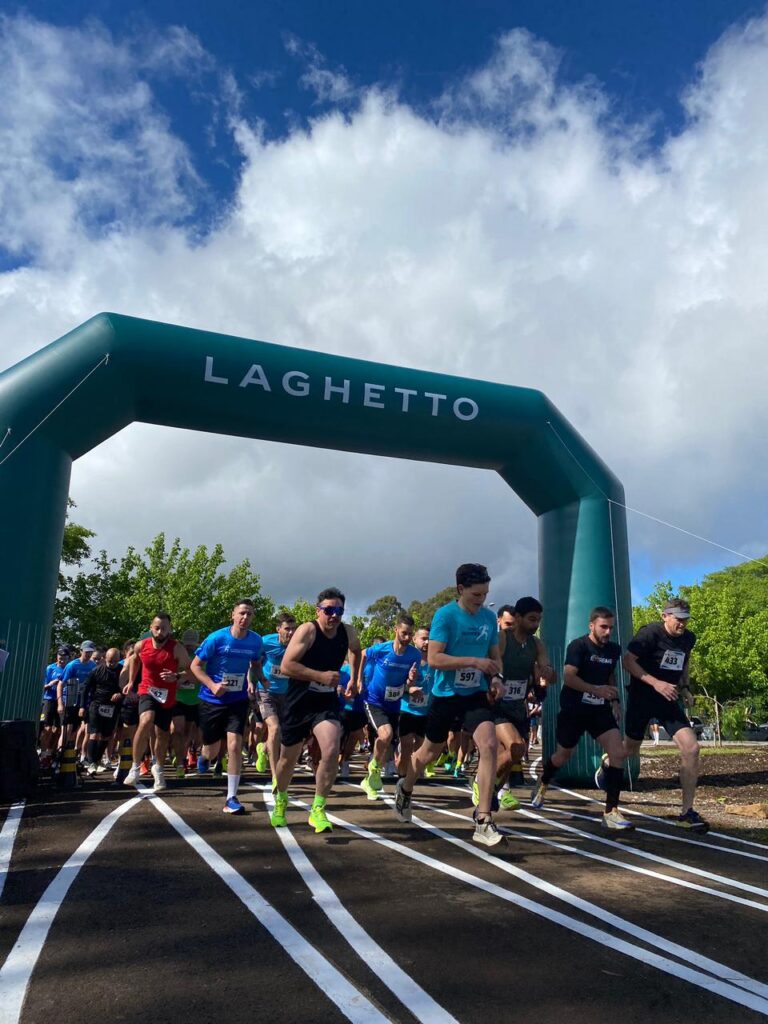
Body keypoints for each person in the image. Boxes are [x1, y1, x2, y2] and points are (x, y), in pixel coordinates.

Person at [394, 564, 505, 847]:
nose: (481, 599)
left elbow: (495, 657)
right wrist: (474, 662)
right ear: (461, 589)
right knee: (428, 753)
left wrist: (496, 678)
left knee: (489, 745)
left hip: (475, 694)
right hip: (446, 695)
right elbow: (434, 659)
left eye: (485, 594)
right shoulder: (445, 616)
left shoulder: (488, 618)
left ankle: (483, 818)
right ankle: (405, 788)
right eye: (476, 594)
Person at [530, 607, 634, 829]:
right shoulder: (578, 646)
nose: (608, 632)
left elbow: (610, 674)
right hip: (574, 710)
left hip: (599, 710)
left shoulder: (613, 650)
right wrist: (596, 690)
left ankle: (611, 812)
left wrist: (615, 701)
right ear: (591, 626)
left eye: (611, 628)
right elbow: (568, 677)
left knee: (618, 752)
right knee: (563, 756)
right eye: (603, 627)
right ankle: (544, 780)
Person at [270, 587, 362, 834]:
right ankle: (281, 800)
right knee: (288, 758)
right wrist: (320, 676)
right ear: (318, 610)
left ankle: (318, 809)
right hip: (299, 701)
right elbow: (287, 666)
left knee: (331, 749)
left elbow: (356, 650)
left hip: (325, 701)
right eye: (329, 610)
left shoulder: (347, 632)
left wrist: (354, 679)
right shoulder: (307, 631)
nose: (334, 615)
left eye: (339, 611)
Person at [618, 598, 708, 831]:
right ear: (665, 616)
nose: (682, 624)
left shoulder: (688, 638)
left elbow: (684, 662)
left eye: (686, 619)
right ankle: (609, 762)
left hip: (668, 698)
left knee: (692, 748)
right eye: (678, 619)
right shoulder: (649, 634)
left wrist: (685, 687)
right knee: (630, 749)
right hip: (642, 697)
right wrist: (655, 683)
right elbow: (628, 661)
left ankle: (686, 812)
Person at [191, 599, 266, 813]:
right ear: (233, 615)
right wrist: (213, 685)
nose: (245, 617)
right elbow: (195, 666)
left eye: (249, 614)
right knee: (212, 750)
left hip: (237, 700)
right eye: (242, 613)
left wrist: (260, 679)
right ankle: (204, 757)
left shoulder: (255, 641)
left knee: (234, 745)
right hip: (212, 699)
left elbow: (255, 663)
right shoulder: (217, 638)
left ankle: (231, 797)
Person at [492, 598, 554, 809]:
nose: (535, 624)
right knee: (514, 746)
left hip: (518, 707)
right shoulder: (503, 638)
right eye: (531, 619)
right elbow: (493, 664)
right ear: (518, 618)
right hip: (496, 705)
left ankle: (495, 788)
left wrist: (546, 673)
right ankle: (487, 786)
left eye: (538, 620)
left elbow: (547, 670)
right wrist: (496, 680)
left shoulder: (536, 644)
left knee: (515, 753)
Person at [123, 613, 191, 792]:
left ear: (170, 629)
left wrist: (176, 676)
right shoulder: (141, 645)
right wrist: (131, 681)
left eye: (164, 628)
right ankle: (135, 767)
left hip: (167, 695)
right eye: (157, 628)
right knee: (146, 720)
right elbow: (134, 660)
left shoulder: (176, 648)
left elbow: (191, 670)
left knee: (162, 734)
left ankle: (158, 769)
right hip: (147, 690)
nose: (160, 632)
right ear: (151, 628)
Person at [360, 614, 421, 800]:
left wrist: (411, 681)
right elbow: (362, 654)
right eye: (404, 633)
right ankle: (374, 769)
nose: (407, 637)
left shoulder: (415, 655)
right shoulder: (383, 649)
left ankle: (370, 778)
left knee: (386, 744)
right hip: (374, 700)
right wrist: (358, 680)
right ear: (395, 630)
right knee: (385, 735)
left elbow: (410, 682)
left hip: (394, 704)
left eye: (410, 634)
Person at [256, 612, 297, 783]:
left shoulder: (299, 643)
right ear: (278, 629)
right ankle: (275, 776)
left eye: (293, 629)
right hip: (266, 692)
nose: (291, 633)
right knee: (274, 728)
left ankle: (263, 748)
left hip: (287, 694)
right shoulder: (265, 642)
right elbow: (254, 662)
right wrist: (254, 680)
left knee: (283, 732)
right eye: (287, 629)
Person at [397, 627, 433, 779]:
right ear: (415, 639)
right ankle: (401, 778)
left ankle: (411, 776)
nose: (427, 642)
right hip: (406, 709)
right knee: (406, 746)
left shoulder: (435, 661)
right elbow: (396, 682)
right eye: (423, 638)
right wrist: (409, 689)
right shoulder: (407, 659)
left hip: (425, 711)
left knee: (420, 747)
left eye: (429, 639)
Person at [81, 648, 124, 774]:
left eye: (115, 661)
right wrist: (82, 707)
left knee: (106, 735)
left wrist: (120, 694)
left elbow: (129, 687)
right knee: (94, 733)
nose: (112, 664)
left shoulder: (122, 671)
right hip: (97, 704)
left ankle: (97, 760)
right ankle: (90, 761)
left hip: (112, 707)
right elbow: (85, 689)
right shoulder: (96, 670)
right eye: (110, 661)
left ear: (119, 659)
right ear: (105, 658)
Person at [57, 641, 97, 750]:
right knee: (68, 728)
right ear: (81, 651)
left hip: (85, 701)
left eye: (90, 652)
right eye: (86, 652)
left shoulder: (93, 666)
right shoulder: (72, 665)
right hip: (70, 700)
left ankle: (74, 753)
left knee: (81, 729)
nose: (88, 654)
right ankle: (60, 752)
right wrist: (60, 703)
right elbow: (60, 684)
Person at [40, 647, 68, 766]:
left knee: (57, 729)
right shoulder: (50, 668)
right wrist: (51, 684)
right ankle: (42, 753)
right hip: (49, 699)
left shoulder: (68, 669)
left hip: (62, 700)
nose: (62, 661)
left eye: (64, 658)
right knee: (47, 728)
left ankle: (50, 752)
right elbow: (43, 686)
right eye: (60, 658)